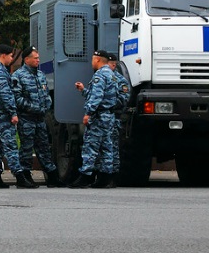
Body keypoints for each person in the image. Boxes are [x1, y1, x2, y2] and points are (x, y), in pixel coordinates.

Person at [0, 44, 36, 189]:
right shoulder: (0, 72)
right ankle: (19, 177)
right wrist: (13, 113)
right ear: (4, 55)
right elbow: (5, 94)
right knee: (11, 145)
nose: (12, 58)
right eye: (11, 56)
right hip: (3, 113)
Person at [12, 46, 62, 187]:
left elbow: (45, 94)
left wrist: (47, 104)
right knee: (27, 148)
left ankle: (52, 176)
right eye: (35, 58)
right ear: (27, 59)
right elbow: (17, 98)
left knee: (44, 147)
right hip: (27, 119)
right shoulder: (18, 76)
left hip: (40, 119)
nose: (38, 60)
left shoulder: (40, 75)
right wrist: (34, 108)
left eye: (38, 58)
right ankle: (26, 176)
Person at [69, 50, 118, 189]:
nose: (92, 62)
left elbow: (97, 97)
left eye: (92, 59)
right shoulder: (111, 75)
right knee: (106, 146)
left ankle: (85, 176)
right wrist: (84, 90)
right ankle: (105, 177)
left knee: (91, 146)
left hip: (99, 116)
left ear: (97, 60)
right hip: (108, 116)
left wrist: (88, 113)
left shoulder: (100, 75)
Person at [107, 53, 130, 188]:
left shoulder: (120, 80)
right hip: (107, 117)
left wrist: (108, 104)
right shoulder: (104, 77)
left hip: (114, 117)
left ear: (114, 64)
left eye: (109, 63)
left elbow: (124, 98)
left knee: (113, 147)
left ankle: (113, 176)